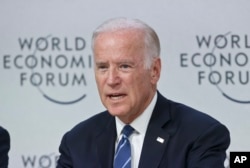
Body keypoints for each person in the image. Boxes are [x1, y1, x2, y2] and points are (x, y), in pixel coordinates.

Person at [57, 17, 230, 168]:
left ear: (154, 70)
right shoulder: (76, 142)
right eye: (102, 67)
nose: (111, 80)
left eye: (124, 66)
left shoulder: (200, 135)